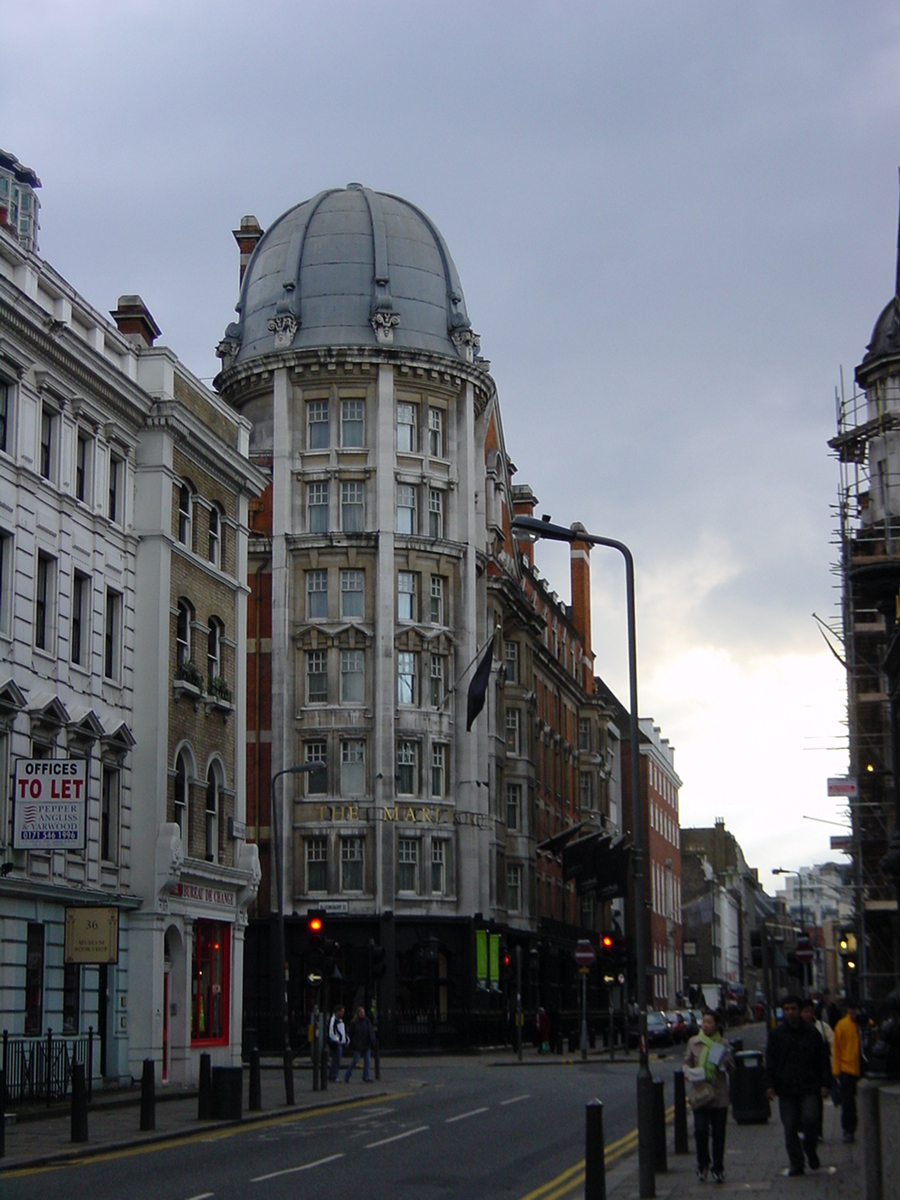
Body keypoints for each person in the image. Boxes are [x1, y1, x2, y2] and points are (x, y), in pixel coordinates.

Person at [765, 995, 831, 1175]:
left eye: (793, 1009)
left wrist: (826, 1083)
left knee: (811, 1120)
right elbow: (770, 1060)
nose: (790, 1012)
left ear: (799, 1010)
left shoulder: (812, 1033)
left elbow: (822, 1059)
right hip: (786, 1088)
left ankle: (810, 1149)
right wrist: (769, 1085)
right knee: (790, 1126)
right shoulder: (777, 1034)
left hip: (809, 1086)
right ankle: (796, 1162)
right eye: (786, 1009)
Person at [683, 1008, 734, 1184]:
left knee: (719, 1134)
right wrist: (687, 1072)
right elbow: (686, 1062)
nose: (705, 1025)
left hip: (718, 1093)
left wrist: (727, 1064)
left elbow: (731, 1068)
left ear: (717, 1025)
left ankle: (718, 1168)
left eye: (709, 1022)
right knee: (701, 1131)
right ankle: (702, 1164)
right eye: (704, 1022)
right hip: (701, 1093)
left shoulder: (724, 1044)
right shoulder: (693, 1042)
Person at [800, 998, 831, 1139]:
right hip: (799, 1079)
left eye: (809, 1011)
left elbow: (825, 1057)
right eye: (805, 1011)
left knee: (817, 1107)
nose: (807, 1014)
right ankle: (805, 1131)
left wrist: (826, 1081)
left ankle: (817, 1131)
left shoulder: (820, 1029)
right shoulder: (792, 1031)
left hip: (816, 1077)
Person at [832, 1001, 861, 1143]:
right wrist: (837, 1071)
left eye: (855, 1008)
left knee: (850, 1101)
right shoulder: (842, 1026)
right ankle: (848, 1129)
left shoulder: (864, 1023)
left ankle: (851, 1129)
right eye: (851, 1008)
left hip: (859, 1067)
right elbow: (836, 1050)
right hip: (847, 1069)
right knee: (848, 1102)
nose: (853, 1011)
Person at [343, 1005, 376, 1082]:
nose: (362, 1014)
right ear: (357, 1013)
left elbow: (370, 1032)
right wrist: (350, 1043)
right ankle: (347, 1075)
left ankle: (366, 1077)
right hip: (358, 1046)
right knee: (355, 1061)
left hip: (366, 1045)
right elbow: (349, 1033)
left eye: (363, 1012)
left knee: (367, 1061)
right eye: (361, 1012)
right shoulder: (354, 1023)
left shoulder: (367, 1021)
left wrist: (372, 1041)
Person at [327, 1004, 348, 1082]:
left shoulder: (340, 1021)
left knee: (335, 1060)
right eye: (342, 1011)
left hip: (340, 1043)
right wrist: (336, 1040)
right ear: (338, 1011)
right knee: (336, 1060)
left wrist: (346, 1039)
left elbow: (343, 1032)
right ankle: (334, 1076)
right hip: (336, 1043)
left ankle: (331, 1075)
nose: (343, 1013)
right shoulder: (333, 1020)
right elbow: (331, 1032)